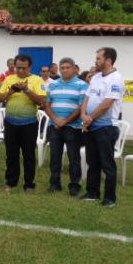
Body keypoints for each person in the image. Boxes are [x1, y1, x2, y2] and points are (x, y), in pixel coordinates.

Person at [81, 47, 124, 207]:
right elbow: (87, 98)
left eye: (99, 58)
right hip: (91, 125)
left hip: (106, 127)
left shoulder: (116, 79)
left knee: (107, 163)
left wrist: (89, 118)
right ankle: (92, 192)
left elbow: (107, 104)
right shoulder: (96, 77)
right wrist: (84, 116)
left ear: (108, 60)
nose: (96, 61)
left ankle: (110, 198)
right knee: (93, 162)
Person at [0, 54, 46, 192]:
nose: (20, 71)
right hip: (10, 123)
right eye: (17, 67)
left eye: (23, 68)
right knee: (11, 154)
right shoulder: (8, 79)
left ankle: (29, 184)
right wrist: (10, 92)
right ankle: (11, 182)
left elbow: (40, 101)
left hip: (29, 123)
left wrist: (26, 90)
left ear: (29, 67)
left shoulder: (37, 80)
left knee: (28, 154)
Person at [44, 58, 88, 196]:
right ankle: (54, 184)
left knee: (73, 158)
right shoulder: (53, 85)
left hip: (73, 127)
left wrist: (65, 121)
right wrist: (56, 120)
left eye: (67, 67)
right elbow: (47, 105)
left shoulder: (82, 85)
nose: (64, 70)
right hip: (54, 126)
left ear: (74, 69)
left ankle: (74, 186)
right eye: (62, 67)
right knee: (55, 157)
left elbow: (81, 107)